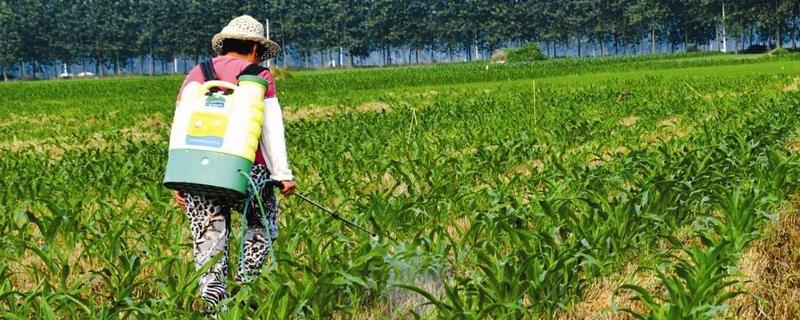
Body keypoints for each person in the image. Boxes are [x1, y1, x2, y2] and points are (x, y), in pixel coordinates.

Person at [171, 15, 296, 309]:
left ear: (224, 45)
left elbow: (181, 123)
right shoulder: (258, 75)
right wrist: (282, 174)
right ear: (254, 48)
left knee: (208, 239)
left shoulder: (196, 75)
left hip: (197, 171)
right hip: (246, 171)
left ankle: (214, 305)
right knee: (262, 225)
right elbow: (270, 128)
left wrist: (178, 177)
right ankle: (244, 286)